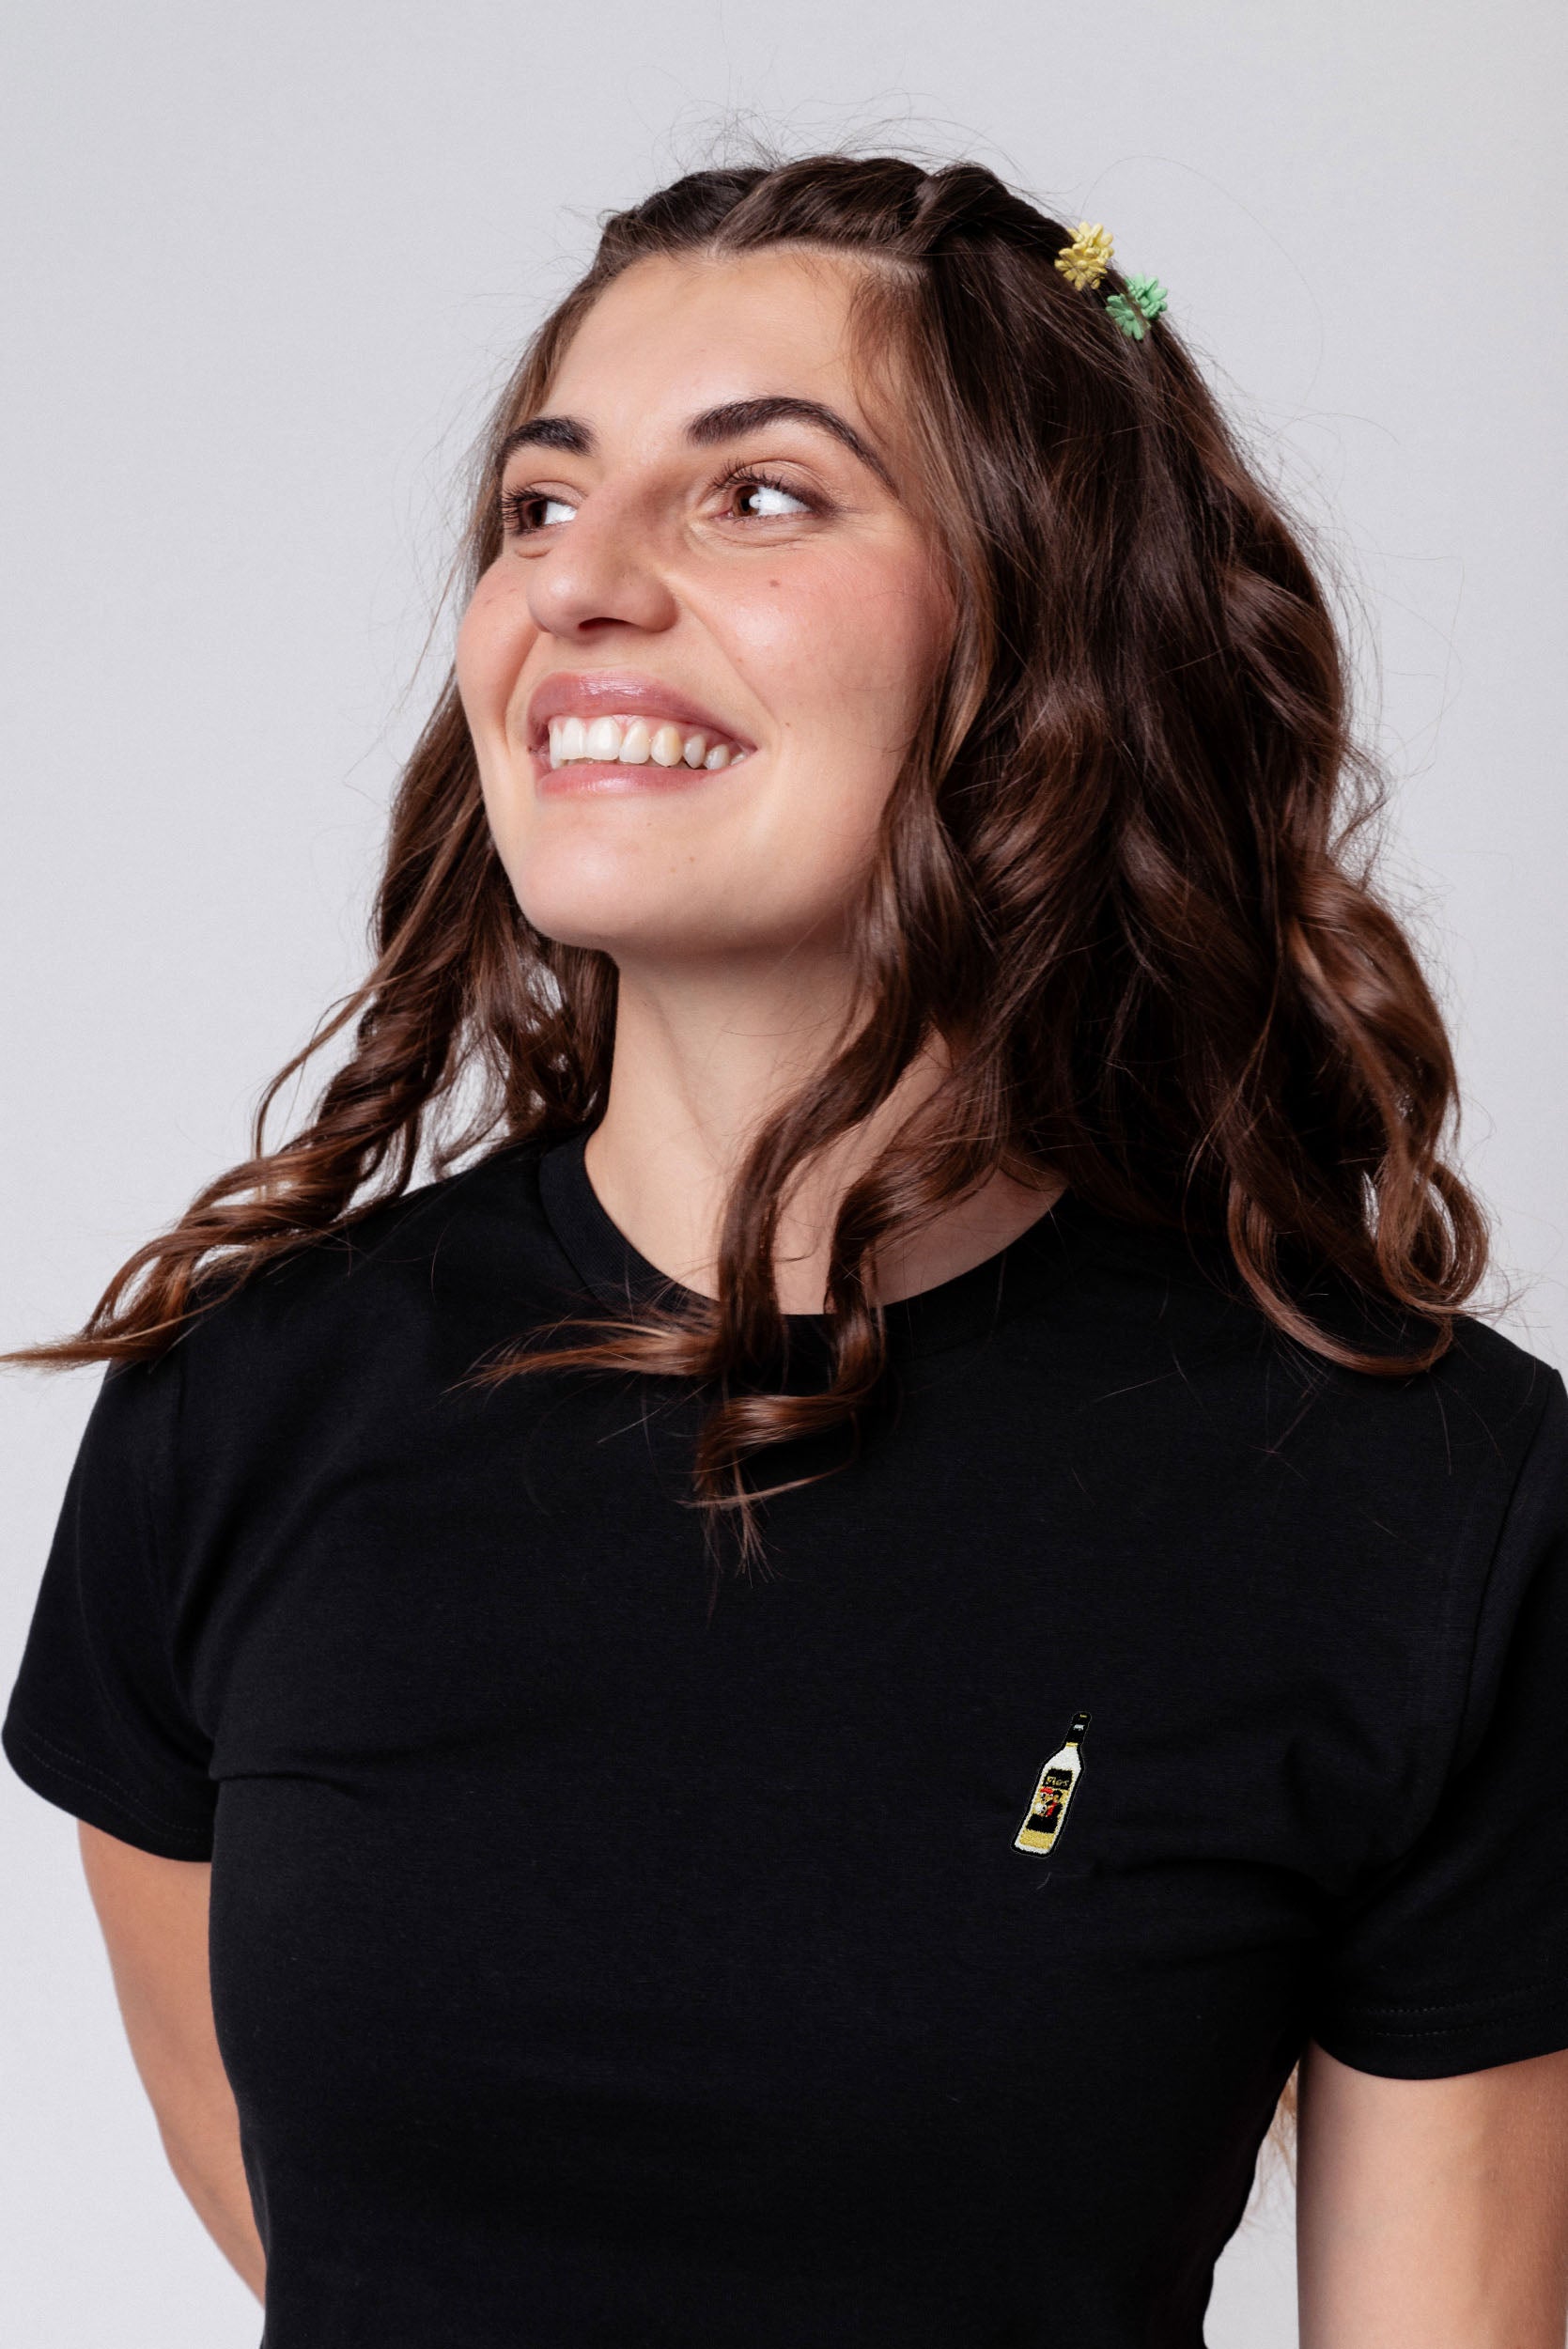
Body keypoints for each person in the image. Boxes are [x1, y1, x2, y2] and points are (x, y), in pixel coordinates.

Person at [6, 151, 1568, 2348]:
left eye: (756, 495)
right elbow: (308, 2229)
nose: (578, 584)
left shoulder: (1425, 1500)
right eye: (540, 503)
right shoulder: (244, 1408)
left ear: (1051, 626)